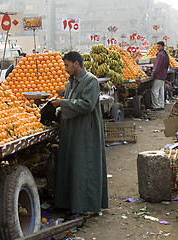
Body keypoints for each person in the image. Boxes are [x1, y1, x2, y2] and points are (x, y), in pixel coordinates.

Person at [50, 51, 108, 218]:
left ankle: (83, 206)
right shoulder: (70, 82)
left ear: (76, 63)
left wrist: (63, 103)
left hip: (85, 131)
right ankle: (68, 203)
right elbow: (70, 100)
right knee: (69, 165)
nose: (65, 68)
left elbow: (87, 105)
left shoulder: (91, 81)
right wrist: (59, 108)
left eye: (67, 65)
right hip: (70, 129)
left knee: (83, 167)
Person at [151, 41, 169, 111]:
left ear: (162, 47)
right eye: (157, 46)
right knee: (161, 90)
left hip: (159, 75)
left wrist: (154, 74)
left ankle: (156, 106)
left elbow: (158, 66)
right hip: (163, 75)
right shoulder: (164, 54)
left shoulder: (160, 55)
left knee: (154, 91)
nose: (157, 47)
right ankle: (161, 105)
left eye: (159, 46)